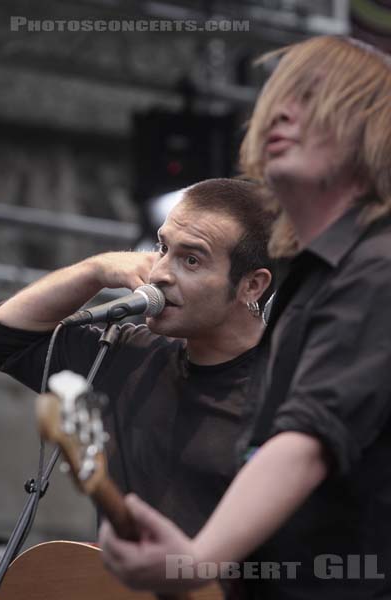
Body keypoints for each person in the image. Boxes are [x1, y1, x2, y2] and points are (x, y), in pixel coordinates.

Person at [97, 35, 391, 600]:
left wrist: (197, 559)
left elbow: (309, 435)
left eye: (312, 97)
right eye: (278, 94)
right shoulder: (315, 280)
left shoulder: (376, 267)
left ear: (369, 129)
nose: (279, 109)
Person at [0, 178, 275, 541]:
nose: (159, 274)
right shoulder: (127, 355)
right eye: (162, 247)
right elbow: (6, 336)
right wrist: (96, 270)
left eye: (191, 259)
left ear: (252, 285)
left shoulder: (288, 393)